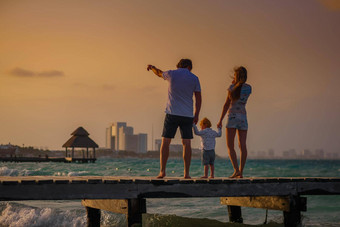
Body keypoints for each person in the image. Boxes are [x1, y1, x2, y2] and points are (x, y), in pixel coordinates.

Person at [147, 59, 202, 179]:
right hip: (187, 115)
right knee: (186, 143)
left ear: (179, 66)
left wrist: (152, 67)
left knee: (165, 142)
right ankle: (186, 173)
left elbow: (159, 73)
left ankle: (162, 171)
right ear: (189, 67)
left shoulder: (172, 73)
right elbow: (198, 98)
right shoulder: (194, 78)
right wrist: (196, 114)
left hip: (172, 113)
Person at [217, 66, 252, 178]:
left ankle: (236, 170)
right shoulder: (249, 88)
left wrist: (220, 120)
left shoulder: (231, 87)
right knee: (242, 146)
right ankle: (241, 172)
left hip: (232, 117)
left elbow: (227, 104)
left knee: (230, 146)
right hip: (243, 117)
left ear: (236, 76)